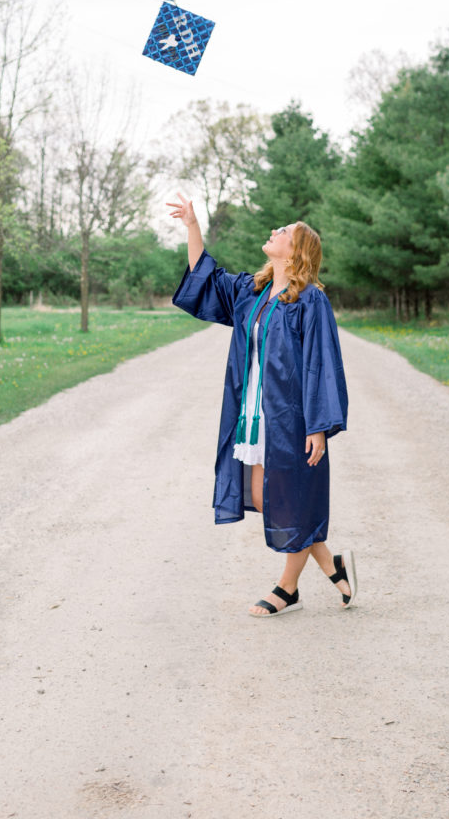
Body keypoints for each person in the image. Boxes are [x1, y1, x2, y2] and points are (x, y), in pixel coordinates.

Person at [168, 193, 355, 618]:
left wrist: (318, 426)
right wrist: (193, 227)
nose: (275, 232)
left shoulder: (310, 301)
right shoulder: (252, 292)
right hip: (251, 415)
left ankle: (287, 589)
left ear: (298, 251)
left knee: (288, 501)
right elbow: (206, 276)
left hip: (290, 419)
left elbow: (322, 364)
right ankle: (331, 564)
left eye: (284, 232)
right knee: (265, 495)